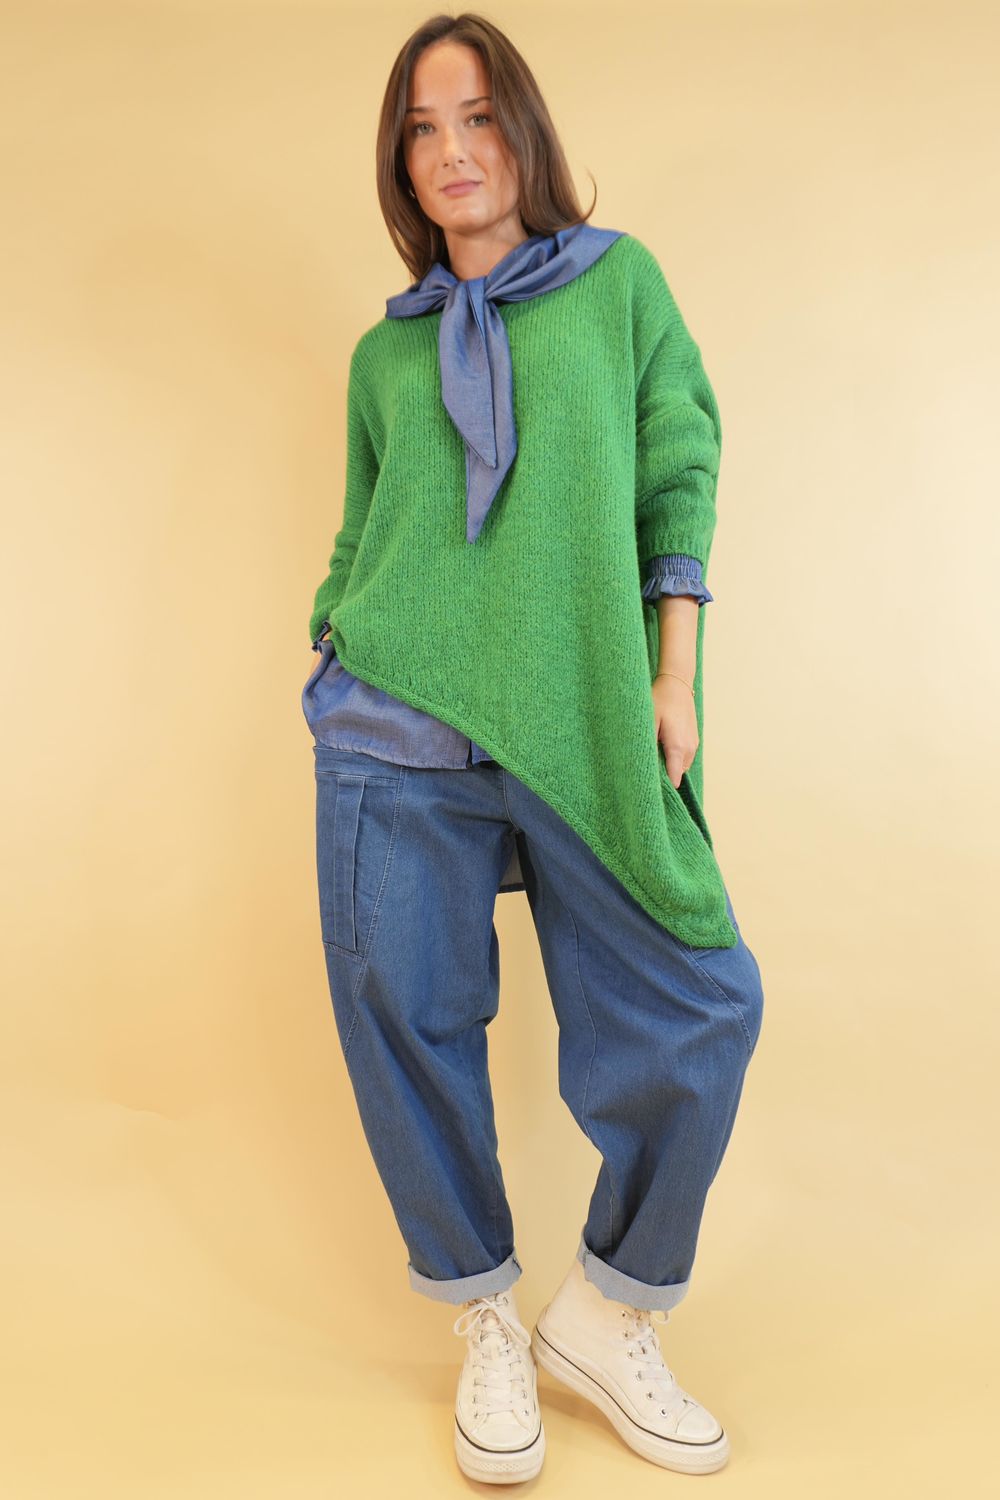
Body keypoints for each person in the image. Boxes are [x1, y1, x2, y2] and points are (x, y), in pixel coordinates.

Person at [301, 13, 765, 1484]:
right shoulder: (385, 356)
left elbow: (679, 465)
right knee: (405, 1014)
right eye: (421, 129)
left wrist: (672, 674)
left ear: (525, 130)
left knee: (704, 1005)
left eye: (478, 116)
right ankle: (489, 1322)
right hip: (392, 727)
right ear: (401, 164)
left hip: (580, 709)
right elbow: (364, 528)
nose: (453, 150)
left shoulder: (619, 286)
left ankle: (607, 1314)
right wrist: (331, 634)